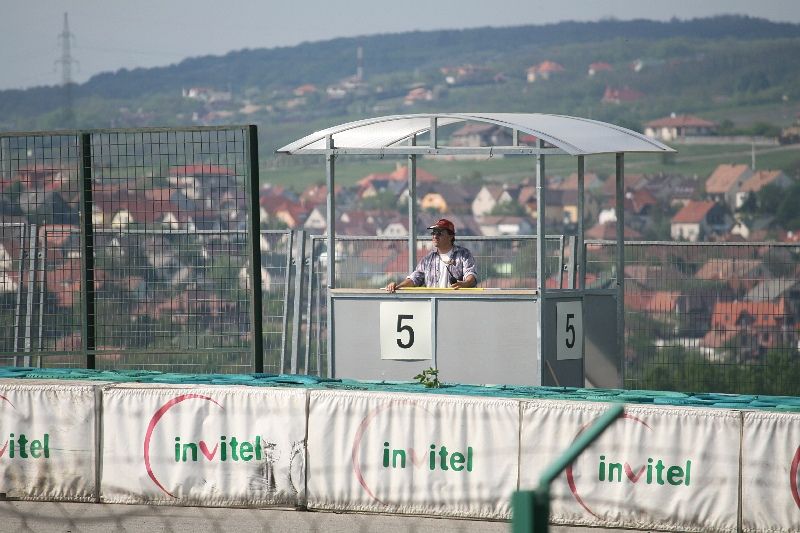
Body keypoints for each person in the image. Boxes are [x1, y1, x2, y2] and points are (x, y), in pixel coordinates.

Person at [385, 218, 478, 292]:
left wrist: (465, 284)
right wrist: (397, 286)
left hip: (455, 304)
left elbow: (470, 276)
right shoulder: (428, 259)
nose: (435, 236)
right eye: (433, 233)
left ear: (451, 236)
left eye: (439, 233)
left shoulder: (464, 254)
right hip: (434, 305)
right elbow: (414, 279)